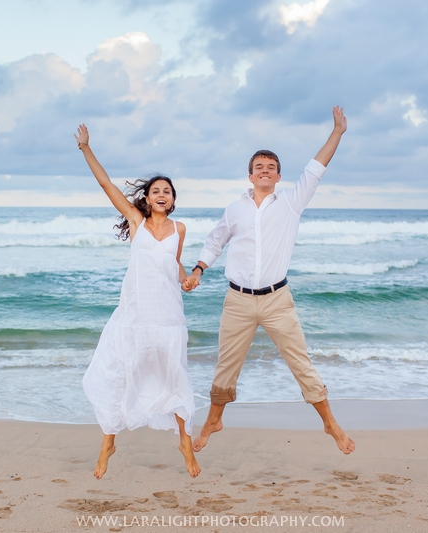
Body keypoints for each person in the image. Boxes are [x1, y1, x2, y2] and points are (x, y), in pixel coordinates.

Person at [183, 106, 356, 455]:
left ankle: (330, 423)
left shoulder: (291, 203)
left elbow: (315, 169)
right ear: (250, 176)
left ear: (278, 177)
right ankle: (213, 420)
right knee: (226, 365)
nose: (265, 171)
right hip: (238, 300)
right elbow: (215, 240)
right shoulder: (235, 209)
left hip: (277, 299)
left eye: (271, 168)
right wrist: (199, 269)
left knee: (300, 361)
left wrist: (336, 133)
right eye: (259, 167)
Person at [74, 124, 200, 479]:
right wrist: (86, 148)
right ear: (146, 198)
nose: (162, 194)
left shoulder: (180, 229)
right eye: (156, 190)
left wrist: (187, 279)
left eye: (168, 191)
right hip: (135, 315)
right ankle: (107, 444)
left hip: (169, 316)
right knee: (120, 374)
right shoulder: (136, 222)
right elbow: (106, 185)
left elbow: (174, 265)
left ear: (173, 200)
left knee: (175, 377)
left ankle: (185, 444)